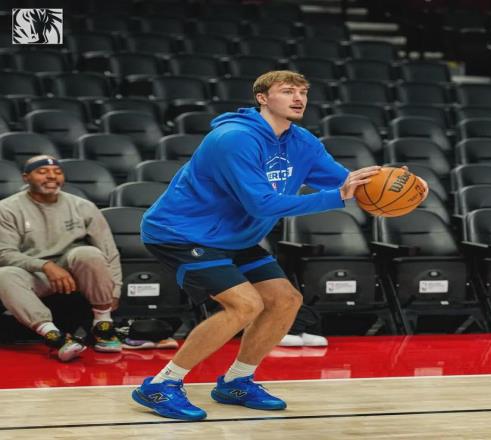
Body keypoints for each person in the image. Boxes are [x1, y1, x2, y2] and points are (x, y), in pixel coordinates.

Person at [132, 70, 428, 421]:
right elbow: (262, 204)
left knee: (286, 300)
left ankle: (236, 382)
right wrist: (336, 197)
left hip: (235, 236)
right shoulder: (233, 138)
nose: (298, 98)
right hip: (181, 233)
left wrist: (402, 184)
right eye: (287, 91)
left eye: (303, 91)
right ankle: (162, 385)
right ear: (262, 98)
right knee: (244, 305)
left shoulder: (301, 141)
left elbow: (348, 183)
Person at [0, 155, 123, 362]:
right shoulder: (7, 208)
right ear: (26, 177)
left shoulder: (83, 206)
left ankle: (103, 327)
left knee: (89, 253)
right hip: (34, 274)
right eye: (42, 172)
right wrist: (45, 266)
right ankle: (55, 336)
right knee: (4, 275)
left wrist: (116, 289)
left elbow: (109, 251)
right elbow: (4, 253)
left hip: (74, 272)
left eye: (57, 172)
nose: (51, 176)